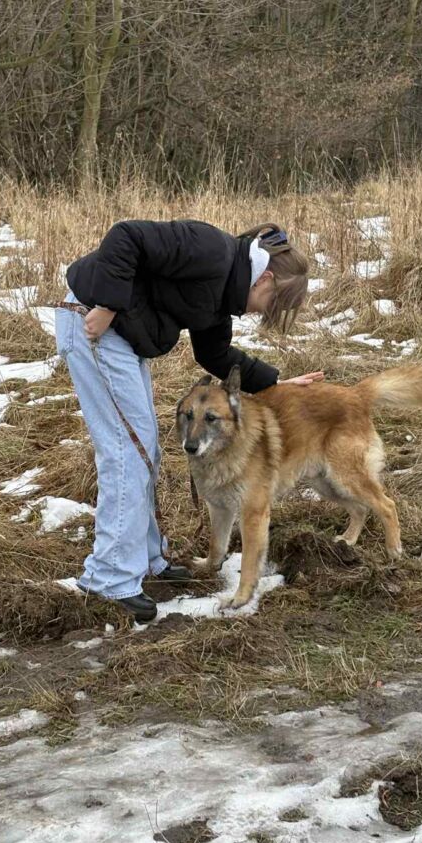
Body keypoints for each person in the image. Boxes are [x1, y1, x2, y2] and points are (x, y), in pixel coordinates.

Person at [55, 219, 323, 622]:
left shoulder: (223, 291)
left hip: (122, 337)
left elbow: (215, 354)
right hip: (94, 322)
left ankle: (144, 559)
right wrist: (107, 306)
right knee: (127, 453)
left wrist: (275, 382)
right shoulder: (209, 250)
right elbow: (126, 236)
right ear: (265, 278)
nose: (263, 312)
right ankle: (109, 578)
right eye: (271, 303)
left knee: (144, 452)